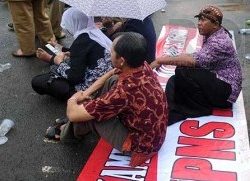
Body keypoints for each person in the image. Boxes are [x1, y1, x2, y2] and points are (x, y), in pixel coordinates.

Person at [57, 32, 168, 168]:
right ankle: (84, 115)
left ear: (121, 60)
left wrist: (73, 98)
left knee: (91, 117)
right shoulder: (141, 65)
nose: (109, 54)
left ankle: (67, 135)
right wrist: (86, 93)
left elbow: (72, 115)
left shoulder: (123, 91)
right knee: (112, 80)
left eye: (111, 51)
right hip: (154, 136)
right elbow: (111, 74)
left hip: (140, 147)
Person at [150, 6, 242, 126]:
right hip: (219, 81)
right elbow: (196, 56)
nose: (199, 23)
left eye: (203, 20)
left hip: (225, 94)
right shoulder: (214, 32)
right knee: (174, 80)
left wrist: (161, 61)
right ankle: (171, 111)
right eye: (199, 19)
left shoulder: (219, 43)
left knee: (183, 70)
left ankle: (197, 109)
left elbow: (191, 61)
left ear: (215, 24)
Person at [32, 8, 113, 101]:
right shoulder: (97, 33)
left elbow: (75, 77)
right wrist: (61, 48)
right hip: (107, 82)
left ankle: (78, 97)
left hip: (92, 89)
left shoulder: (81, 41)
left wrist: (59, 62)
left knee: (38, 81)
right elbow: (85, 53)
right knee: (66, 63)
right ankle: (52, 60)